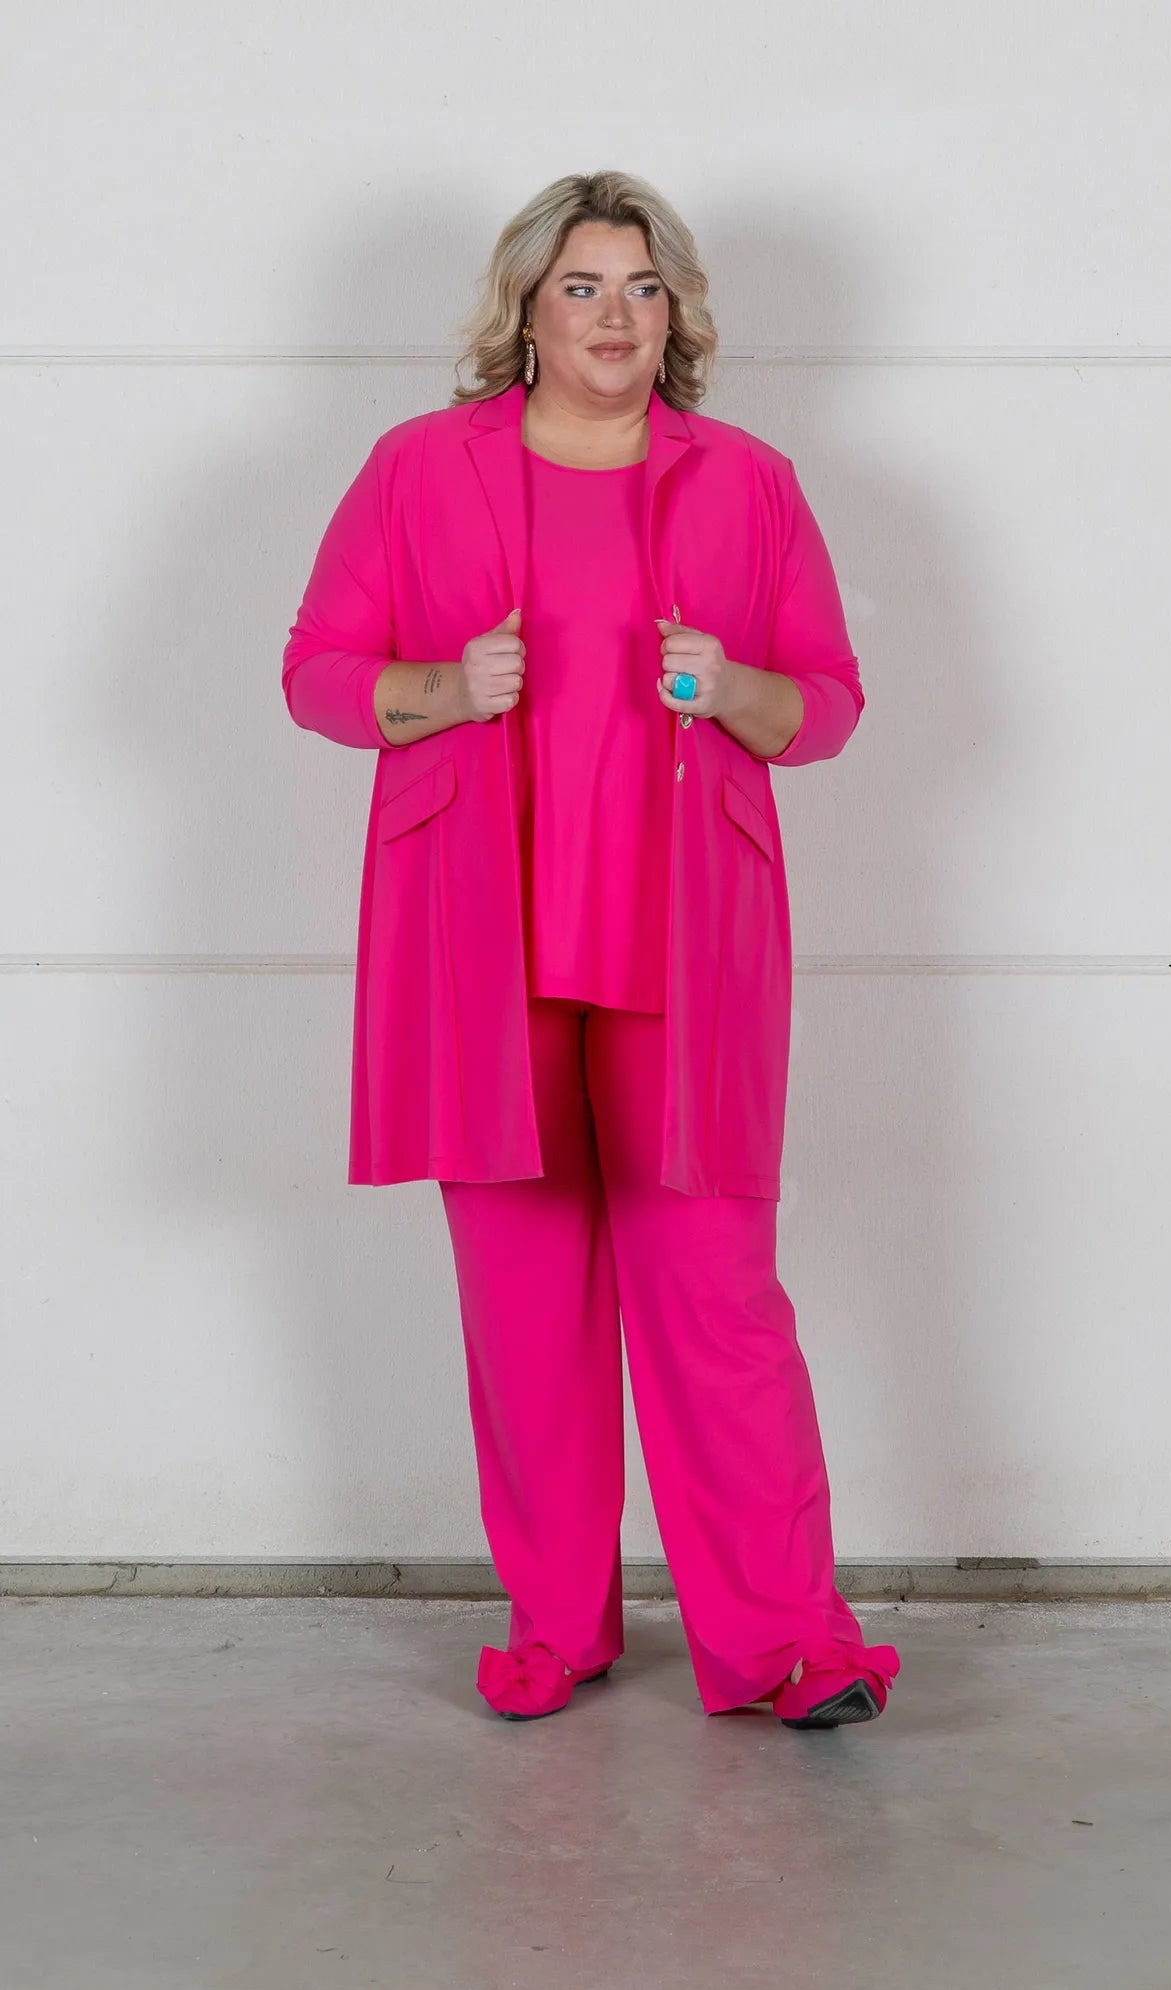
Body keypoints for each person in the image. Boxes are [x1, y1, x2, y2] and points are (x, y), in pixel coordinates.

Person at [281, 169, 900, 1730]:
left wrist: (733, 686)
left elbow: (827, 702)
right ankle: (558, 1627)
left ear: (675, 311)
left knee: (717, 1301)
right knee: (525, 1308)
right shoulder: (419, 470)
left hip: (686, 949)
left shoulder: (747, 482)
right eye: (582, 287)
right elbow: (317, 671)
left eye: (641, 286)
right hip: (479, 947)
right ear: (527, 310)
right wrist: (444, 687)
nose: (615, 317)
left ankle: (785, 1642)